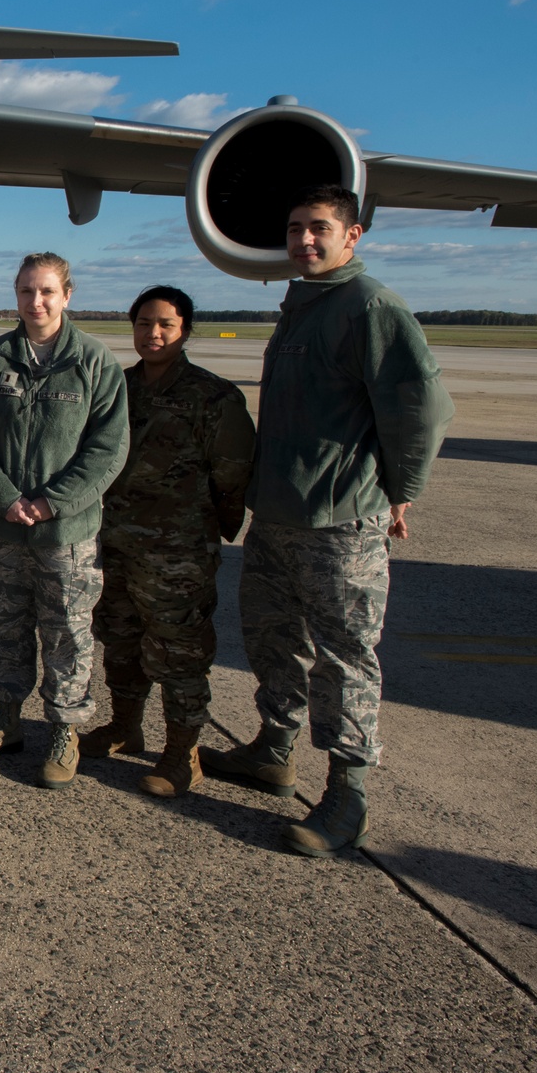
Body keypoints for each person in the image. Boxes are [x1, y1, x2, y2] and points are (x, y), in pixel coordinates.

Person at [204, 185, 453, 857]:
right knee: (272, 638)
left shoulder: (370, 306)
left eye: (319, 228)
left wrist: (401, 490)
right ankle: (273, 748)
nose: (304, 240)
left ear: (353, 234)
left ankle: (348, 794)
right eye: (295, 229)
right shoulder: (304, 304)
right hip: (278, 514)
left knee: (344, 658)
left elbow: (422, 409)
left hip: (340, 521)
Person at [0, 252, 128, 789]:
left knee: (67, 634)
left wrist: (54, 501)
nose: (36, 301)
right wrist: (5, 498)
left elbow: (108, 448)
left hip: (65, 533)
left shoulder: (94, 362)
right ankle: (7, 717)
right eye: (27, 291)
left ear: (67, 295)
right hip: (0, 527)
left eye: (47, 291)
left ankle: (64, 731)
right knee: (1, 626)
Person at [82, 285, 253, 797]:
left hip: (178, 552)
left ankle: (182, 754)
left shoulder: (213, 396)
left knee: (180, 651)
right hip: (115, 541)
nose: (153, 334)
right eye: (144, 324)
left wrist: (203, 529)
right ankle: (125, 726)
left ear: (185, 331)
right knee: (119, 637)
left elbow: (233, 473)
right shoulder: (116, 386)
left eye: (166, 325)